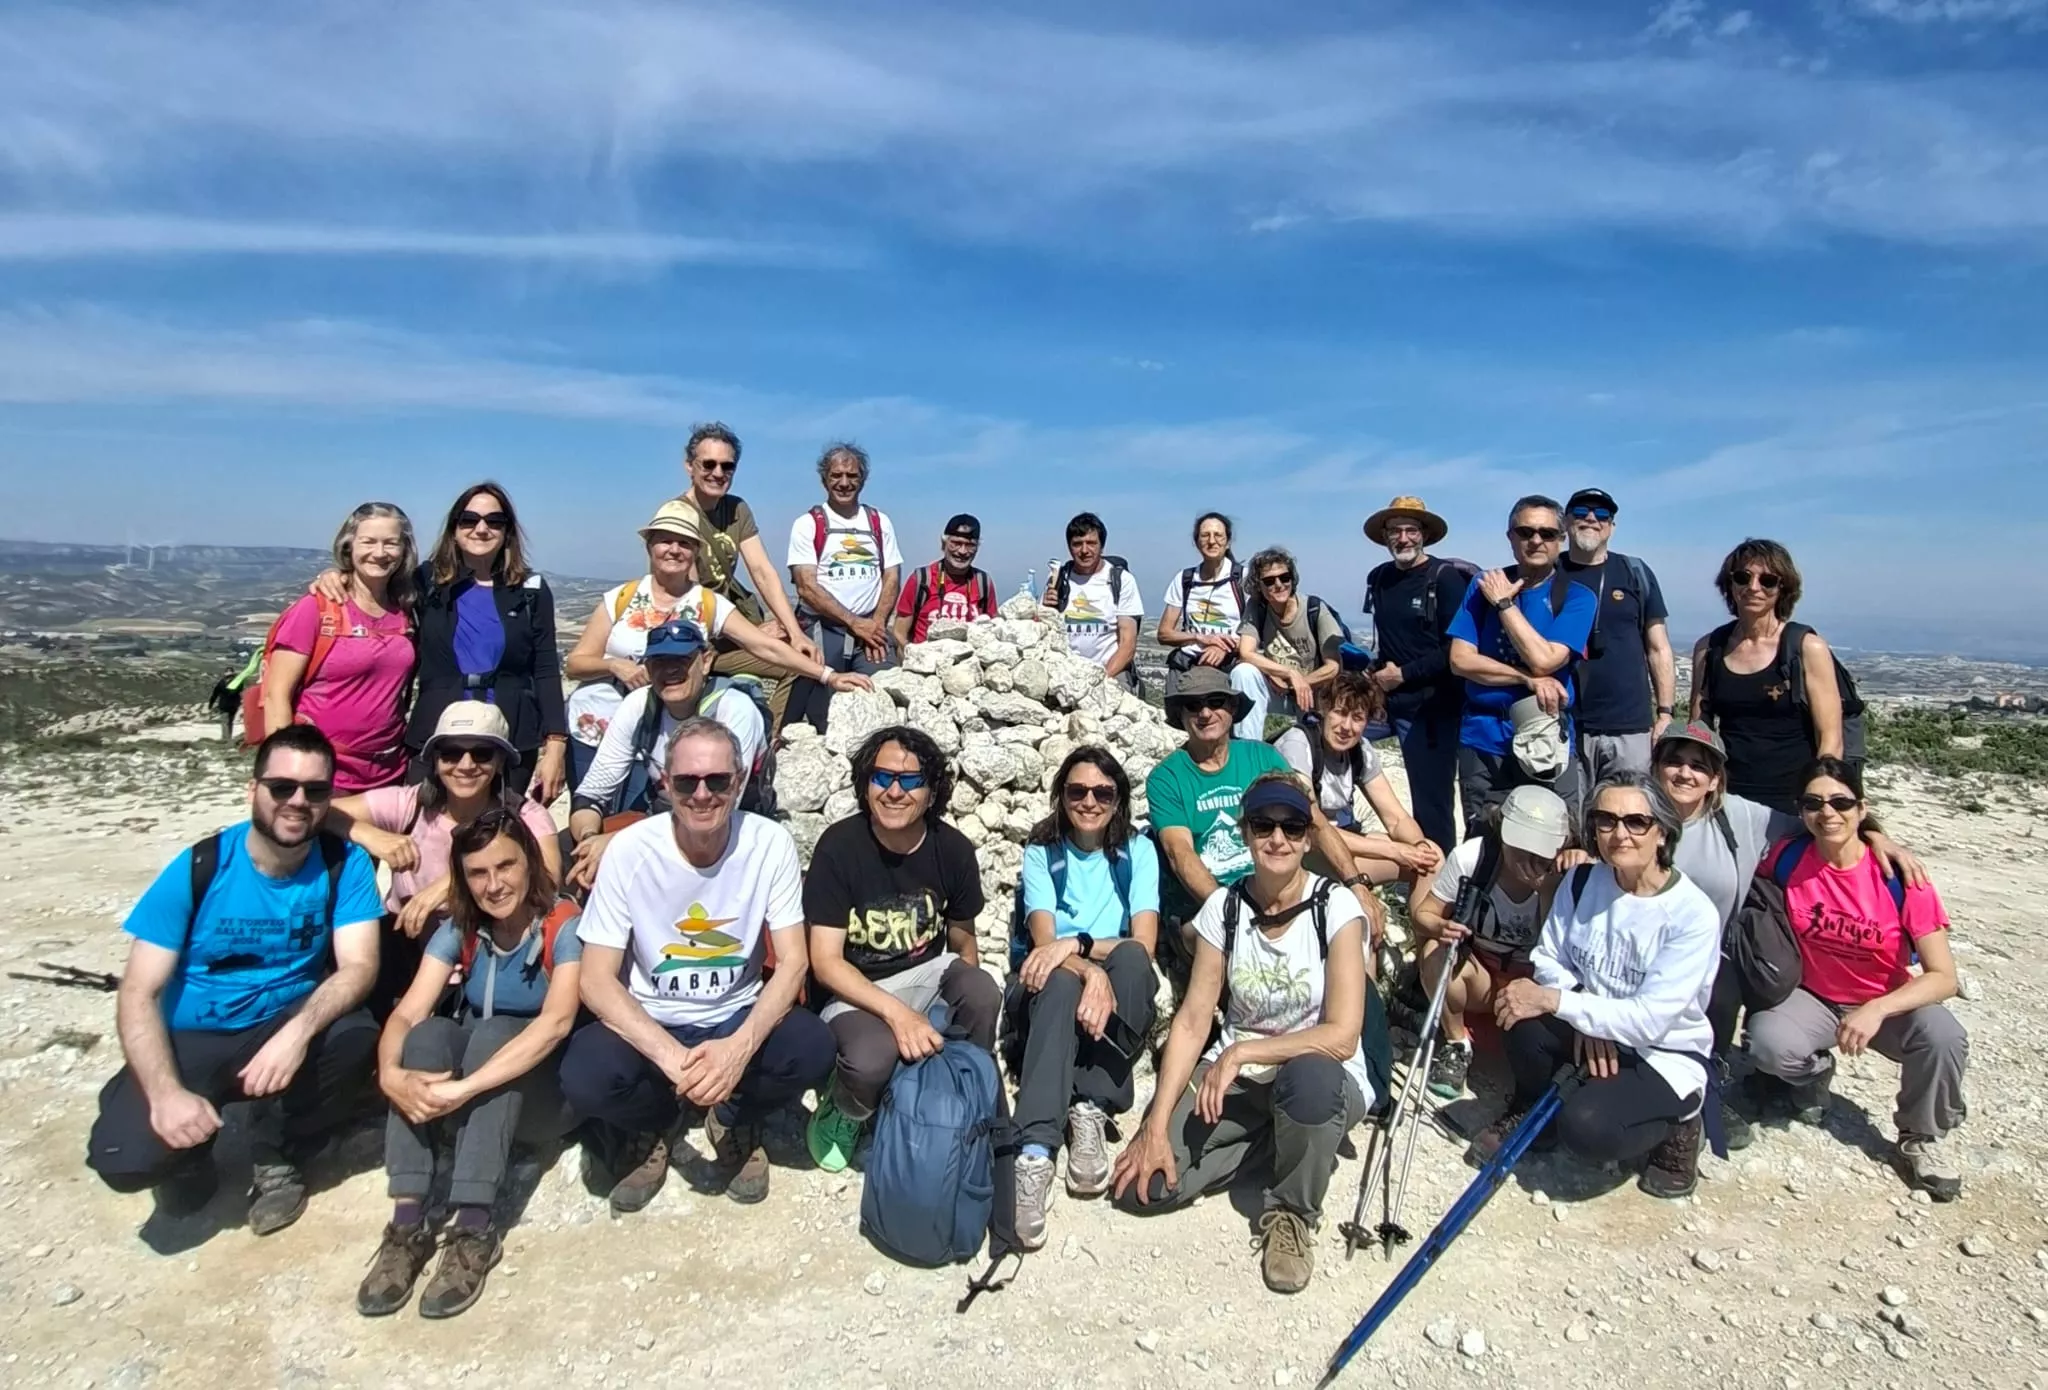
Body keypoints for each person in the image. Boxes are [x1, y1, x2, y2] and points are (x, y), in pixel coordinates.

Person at [86, 727, 383, 1235]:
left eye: (315, 791)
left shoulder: (342, 863)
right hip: (195, 1032)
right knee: (125, 1159)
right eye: (281, 787)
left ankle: (280, 1142)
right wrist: (165, 1094)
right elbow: (138, 991)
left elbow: (359, 966)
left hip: (281, 1019)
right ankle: (191, 1152)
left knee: (354, 1036)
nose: (297, 801)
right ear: (253, 789)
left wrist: (297, 1033)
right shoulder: (201, 866)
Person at [1110, 774, 1375, 1295]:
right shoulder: (1225, 909)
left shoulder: (1337, 908)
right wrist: (1156, 1124)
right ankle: (1282, 1145)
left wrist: (1242, 1051)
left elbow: (1342, 1036)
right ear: (1246, 833)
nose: (1278, 839)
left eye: (1292, 827)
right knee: (1142, 1188)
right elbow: (1193, 1019)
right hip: (1241, 1076)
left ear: (1308, 837)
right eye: (1263, 825)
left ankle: (1291, 1213)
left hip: (1318, 1074)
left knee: (1311, 1079)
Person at [557, 719, 834, 1213]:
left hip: (733, 1011)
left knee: (812, 1048)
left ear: (740, 780)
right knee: (585, 1074)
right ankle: (657, 1120)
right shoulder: (630, 850)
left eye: (718, 781)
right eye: (687, 782)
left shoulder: (769, 843)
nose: (702, 795)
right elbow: (595, 980)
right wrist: (670, 1058)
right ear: (666, 783)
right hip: (653, 1015)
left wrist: (738, 1050)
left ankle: (730, 1114)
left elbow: (794, 962)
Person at [1652, 723, 1926, 1152]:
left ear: (1716, 779)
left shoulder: (1740, 818)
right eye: (1674, 761)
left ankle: (1709, 1088)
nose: (1685, 773)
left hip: (1712, 959)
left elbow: (1824, 822)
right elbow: (1594, 832)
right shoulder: (1635, 811)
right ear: (1656, 768)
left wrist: (1875, 834)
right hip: (1639, 949)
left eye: (1698, 765)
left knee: (1722, 992)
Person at [357, 811, 581, 1319]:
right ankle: (408, 1220)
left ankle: (474, 1225)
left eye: (506, 866)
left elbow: (556, 1024)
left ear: (531, 863)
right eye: (478, 873)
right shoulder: (463, 928)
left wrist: (465, 1088)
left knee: (498, 1032)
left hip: (543, 1095)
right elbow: (408, 1013)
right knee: (429, 1033)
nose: (494, 884)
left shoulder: (563, 925)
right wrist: (390, 1074)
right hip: (478, 1094)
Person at [1479, 772, 1721, 1200]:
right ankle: (1533, 1109)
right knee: (1517, 1011)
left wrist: (1565, 1004)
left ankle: (1679, 1126)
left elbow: (1648, 1020)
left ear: (1662, 833)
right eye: (1606, 820)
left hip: (1659, 1051)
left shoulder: (1691, 915)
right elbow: (1548, 957)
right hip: (1591, 1021)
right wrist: (1583, 1013)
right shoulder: (1581, 881)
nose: (1619, 834)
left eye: (1636, 822)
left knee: (1588, 1129)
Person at [1743, 758, 1967, 1201]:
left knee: (1944, 1037)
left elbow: (1943, 977)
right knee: (1767, 1043)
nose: (1827, 812)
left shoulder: (1901, 878)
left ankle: (1921, 1137)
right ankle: (1813, 1075)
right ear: (1801, 811)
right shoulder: (1787, 858)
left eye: (1841, 802)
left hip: (1885, 1000)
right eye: (1813, 803)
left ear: (1861, 808)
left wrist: (1877, 1009)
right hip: (1813, 997)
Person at [802, 726, 1002, 1173]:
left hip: (922, 976)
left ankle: (961, 1093)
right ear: (865, 784)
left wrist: (966, 1010)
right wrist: (898, 1016)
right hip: (851, 989)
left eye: (911, 781)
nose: (895, 792)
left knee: (983, 991)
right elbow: (826, 962)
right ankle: (847, 1105)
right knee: (872, 1059)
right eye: (882, 777)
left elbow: (963, 943)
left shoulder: (952, 850)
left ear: (932, 793)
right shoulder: (839, 848)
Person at [563, 501, 865, 786]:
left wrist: (828, 675)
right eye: (665, 540)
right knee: (592, 806)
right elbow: (576, 663)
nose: (674, 549)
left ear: (695, 551)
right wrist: (615, 666)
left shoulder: (708, 604)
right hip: (597, 728)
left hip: (661, 738)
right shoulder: (620, 598)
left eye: (684, 543)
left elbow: (765, 647)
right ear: (650, 546)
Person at [1006, 748, 1161, 1248]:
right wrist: (1087, 969)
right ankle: (1035, 1148)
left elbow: (1144, 942)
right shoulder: (1042, 851)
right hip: (1055, 979)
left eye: (1102, 793)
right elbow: (1043, 943)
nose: (1089, 802)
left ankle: (1091, 1103)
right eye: (1077, 791)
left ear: (1118, 799)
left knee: (1132, 962)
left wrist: (1081, 947)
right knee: (1060, 981)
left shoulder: (1138, 852)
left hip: (1099, 965)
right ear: (1061, 796)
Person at [1146, 667, 1385, 984]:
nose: (1205, 713)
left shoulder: (1262, 757)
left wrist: (1356, 885)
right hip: (1208, 908)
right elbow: (1180, 853)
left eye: (1216, 702)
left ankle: (1363, 1012)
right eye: (1193, 705)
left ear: (1232, 708)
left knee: (1352, 924)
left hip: (1275, 892)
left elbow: (1315, 822)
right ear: (1181, 713)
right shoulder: (1167, 777)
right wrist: (1234, 911)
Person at [324, 701, 562, 1018]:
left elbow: (549, 879)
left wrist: (451, 885)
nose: (465, 765)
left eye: (482, 753)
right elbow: (319, 811)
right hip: (406, 950)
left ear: (500, 761)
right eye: (451, 753)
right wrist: (370, 836)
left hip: (483, 953)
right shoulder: (411, 805)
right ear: (435, 761)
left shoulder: (524, 816)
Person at [565, 617, 770, 889]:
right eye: (659, 662)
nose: (670, 670)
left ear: (705, 661)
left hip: (726, 833)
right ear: (648, 668)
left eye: (682, 660)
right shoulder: (639, 705)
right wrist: (590, 840)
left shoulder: (735, 709)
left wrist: (617, 842)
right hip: (663, 824)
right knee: (567, 853)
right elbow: (592, 792)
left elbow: (719, 810)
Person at [1410, 786, 1570, 1101]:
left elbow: (1561, 951)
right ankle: (1457, 1044)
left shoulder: (1566, 876)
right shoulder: (1473, 858)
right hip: (1481, 972)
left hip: (1533, 980)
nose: (1529, 857)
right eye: (1520, 845)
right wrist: (1442, 927)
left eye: (1539, 849)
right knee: (1435, 952)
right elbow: (1423, 914)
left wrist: (1547, 892)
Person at [1448, 494, 1597, 832]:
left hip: (1546, 740)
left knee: (1555, 841)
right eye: (1526, 532)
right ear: (1510, 537)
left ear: (1561, 539)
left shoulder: (1577, 596)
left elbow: (1545, 661)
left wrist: (1504, 605)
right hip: (1483, 738)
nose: (1536, 540)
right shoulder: (1482, 586)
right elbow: (1460, 660)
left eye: (1547, 533)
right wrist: (1526, 680)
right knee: (1484, 840)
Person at [264, 501, 419, 793]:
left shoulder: (406, 609)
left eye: (390, 543)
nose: (379, 552)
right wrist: (286, 775)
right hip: (322, 772)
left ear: (404, 550)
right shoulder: (317, 608)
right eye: (368, 542)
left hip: (390, 771)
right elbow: (276, 696)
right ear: (349, 546)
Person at [672, 421, 819, 723]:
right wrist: (750, 636)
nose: (718, 473)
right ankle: (769, 739)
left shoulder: (736, 510)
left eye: (727, 466)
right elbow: (691, 599)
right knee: (793, 666)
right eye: (708, 464)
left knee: (802, 656)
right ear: (689, 466)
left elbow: (762, 570)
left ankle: (770, 737)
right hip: (698, 640)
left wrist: (794, 633)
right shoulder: (678, 516)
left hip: (727, 631)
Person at [1689, 539, 1846, 815]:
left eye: (1768, 580)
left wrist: (1818, 800)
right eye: (1743, 577)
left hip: (1793, 797)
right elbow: (1699, 727)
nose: (1754, 587)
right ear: (1730, 584)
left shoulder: (1806, 648)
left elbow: (1830, 738)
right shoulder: (1709, 648)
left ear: (1783, 587)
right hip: (1728, 796)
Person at [1361, 495, 1471, 857]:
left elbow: (1455, 649)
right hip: (1386, 701)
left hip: (1432, 708)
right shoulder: (1379, 578)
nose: (1403, 538)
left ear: (1424, 534)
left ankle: (1437, 874)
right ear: (1385, 536)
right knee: (1329, 738)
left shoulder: (1446, 579)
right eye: (1395, 531)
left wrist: (1403, 675)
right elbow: (1389, 641)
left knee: (1431, 803)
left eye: (1411, 530)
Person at [1273, 673, 1443, 887]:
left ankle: (1425, 910)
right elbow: (1312, 823)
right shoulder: (1298, 744)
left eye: (1357, 718)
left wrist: (1419, 847)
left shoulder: (1361, 751)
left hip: (1340, 839)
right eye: (1340, 713)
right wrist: (1393, 850)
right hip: (1298, 844)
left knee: (1432, 858)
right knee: (1393, 858)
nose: (1346, 726)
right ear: (1324, 710)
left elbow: (1396, 818)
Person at [1559, 487, 1675, 785]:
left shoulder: (1634, 572)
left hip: (1630, 727)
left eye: (1602, 514)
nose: (1591, 519)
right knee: (1571, 811)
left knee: (1629, 807)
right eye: (1581, 512)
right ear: (1566, 521)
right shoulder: (1550, 572)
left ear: (1611, 525)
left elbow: (1658, 647)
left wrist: (1665, 713)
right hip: (1565, 724)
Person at [784, 442, 903, 730]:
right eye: (836, 475)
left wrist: (876, 625)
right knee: (822, 715)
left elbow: (891, 575)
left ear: (863, 479)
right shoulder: (808, 524)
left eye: (852, 476)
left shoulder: (879, 522)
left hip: (870, 630)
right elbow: (806, 586)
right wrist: (854, 622)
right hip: (824, 630)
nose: (844, 483)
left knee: (880, 700)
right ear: (824, 478)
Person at [1234, 546, 1346, 740]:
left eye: (1284, 577)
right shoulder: (1258, 607)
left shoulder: (1314, 609)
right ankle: (1247, 746)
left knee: (1311, 741)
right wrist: (1289, 674)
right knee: (1243, 673)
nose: (1278, 585)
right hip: (1278, 689)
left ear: (1292, 579)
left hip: (1312, 692)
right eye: (1269, 581)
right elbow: (1246, 652)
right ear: (1258, 586)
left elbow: (1333, 667)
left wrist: (1300, 683)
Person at [1043, 512, 1144, 688]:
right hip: (1064, 673)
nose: (1084, 550)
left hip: (1109, 672)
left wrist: (1099, 681)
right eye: (1077, 544)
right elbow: (1042, 630)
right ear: (1069, 547)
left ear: (1102, 546)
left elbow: (1127, 645)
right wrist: (1045, 609)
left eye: (1091, 543)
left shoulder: (1122, 580)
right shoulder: (1058, 579)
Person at [1157, 512, 1247, 699]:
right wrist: (1200, 638)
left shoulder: (1243, 580)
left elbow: (1257, 633)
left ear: (1228, 542)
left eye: (1218, 535)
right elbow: (1164, 634)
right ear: (1196, 542)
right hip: (1187, 664)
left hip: (1227, 664)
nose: (1212, 541)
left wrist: (1224, 648)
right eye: (1205, 535)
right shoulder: (1185, 579)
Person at [891, 513, 999, 647]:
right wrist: (912, 655)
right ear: (943, 544)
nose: (962, 551)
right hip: (927, 657)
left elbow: (993, 628)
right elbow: (899, 632)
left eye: (970, 545)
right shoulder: (921, 579)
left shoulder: (983, 582)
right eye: (956, 544)